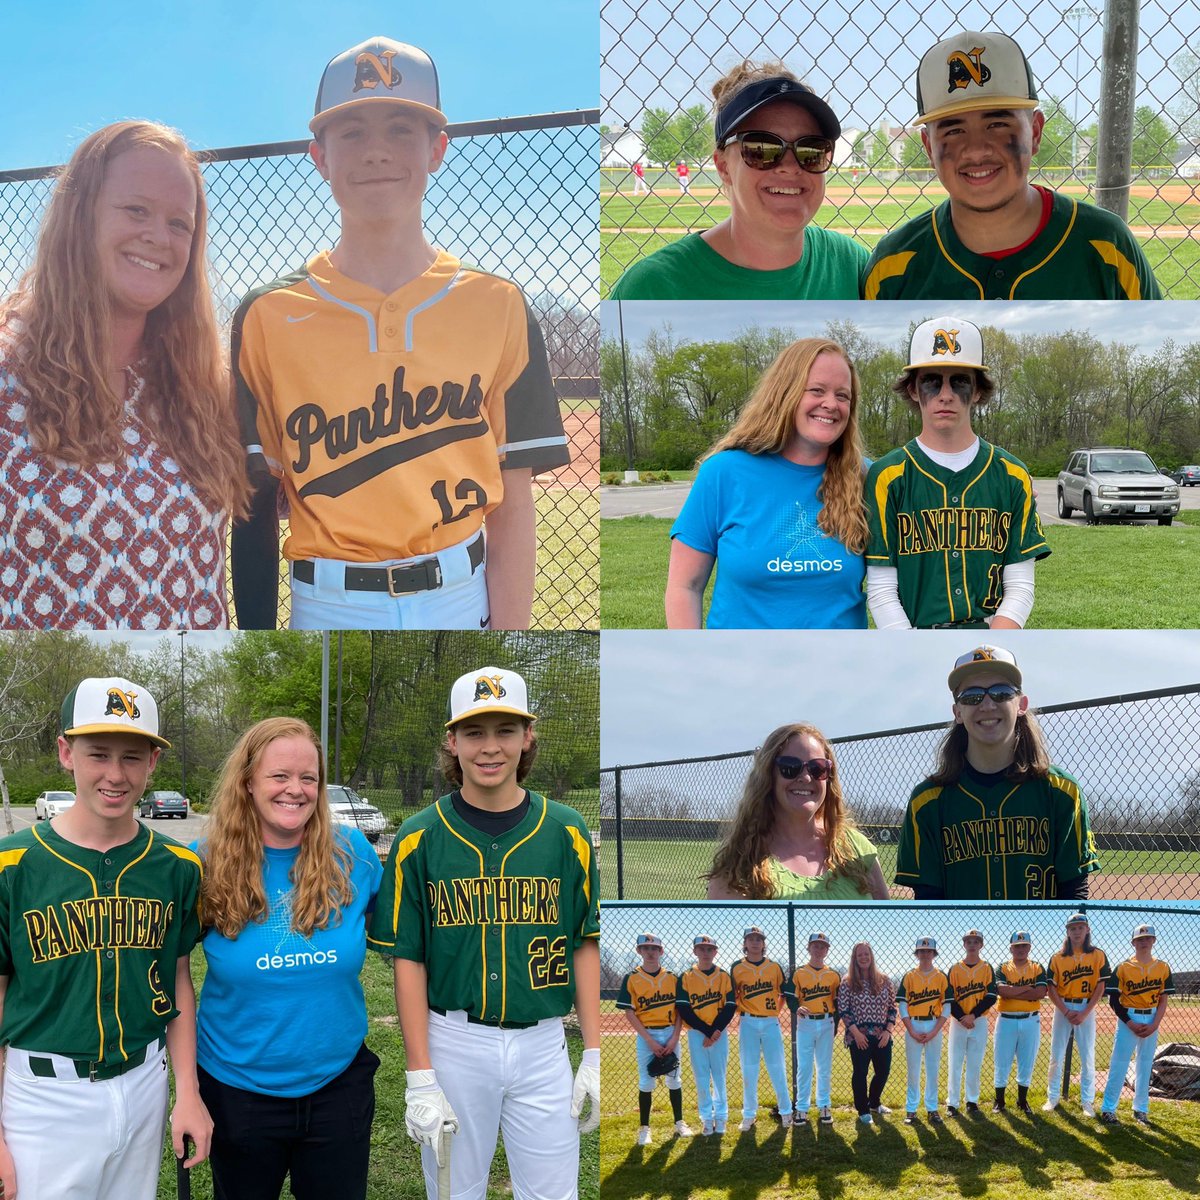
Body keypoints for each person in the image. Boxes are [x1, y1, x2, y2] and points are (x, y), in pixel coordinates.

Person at [231, 37, 570, 631]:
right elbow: (255, 502)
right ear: (319, 155)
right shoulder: (266, 313)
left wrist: (509, 632)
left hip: (462, 589)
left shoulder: (499, 304)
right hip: (326, 600)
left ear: (437, 149)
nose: (376, 152)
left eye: (400, 129)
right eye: (352, 132)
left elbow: (512, 499)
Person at [0, 121, 249, 629]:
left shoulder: (206, 385)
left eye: (180, 223)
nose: (158, 236)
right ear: (80, 215)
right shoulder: (9, 372)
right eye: (136, 210)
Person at [367, 665, 600, 1199]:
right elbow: (409, 959)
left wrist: (590, 1052)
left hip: (543, 1045)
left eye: (505, 730)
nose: (489, 747)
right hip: (454, 1040)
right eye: (474, 732)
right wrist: (420, 1075)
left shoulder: (567, 830)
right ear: (452, 740)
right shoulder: (418, 837)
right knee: (453, 1192)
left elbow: (584, 941)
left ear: (528, 737)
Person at [0, 676, 209, 1199]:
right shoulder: (12, 866)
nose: (116, 775)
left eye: (133, 757)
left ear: (153, 763)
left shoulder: (177, 866)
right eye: (98, 754)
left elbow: (178, 980)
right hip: (43, 1098)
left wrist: (188, 1091)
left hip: (144, 1084)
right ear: (65, 753)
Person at [191, 717, 383, 1199]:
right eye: (279, 776)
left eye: (308, 778)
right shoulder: (204, 863)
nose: (295, 790)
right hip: (237, 1090)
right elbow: (169, 969)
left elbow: (402, 942)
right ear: (248, 781)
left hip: (337, 1085)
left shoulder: (355, 855)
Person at [862, 30, 1162, 299]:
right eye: (953, 130)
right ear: (929, 146)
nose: (976, 149)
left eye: (997, 123)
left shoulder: (1107, 244)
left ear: (1034, 131)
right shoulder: (893, 265)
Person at [611, 62, 866, 299]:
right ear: (723, 166)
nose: (789, 167)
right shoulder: (651, 287)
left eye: (811, 150)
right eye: (762, 148)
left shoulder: (852, 264)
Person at [667, 338, 870, 629]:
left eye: (843, 396)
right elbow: (684, 587)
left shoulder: (866, 477)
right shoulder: (724, 473)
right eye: (816, 390)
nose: (831, 404)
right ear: (784, 393)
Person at [864, 316, 1049, 630]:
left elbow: (1020, 587)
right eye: (932, 381)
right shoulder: (887, 476)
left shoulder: (1011, 474)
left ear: (977, 391)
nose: (945, 394)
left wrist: (993, 645)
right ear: (912, 389)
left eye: (959, 381)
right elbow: (882, 591)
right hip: (913, 637)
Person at [896, 645, 1101, 900]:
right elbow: (928, 900)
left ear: (1021, 704)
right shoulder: (927, 801)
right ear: (957, 712)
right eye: (971, 696)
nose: (987, 704)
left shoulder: (1062, 791)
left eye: (1001, 693)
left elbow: (1075, 891)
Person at [708, 723, 888, 900]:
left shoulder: (856, 848)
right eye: (790, 767)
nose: (806, 777)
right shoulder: (741, 860)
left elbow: (888, 926)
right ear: (768, 776)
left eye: (817, 768)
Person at [619, 933, 691, 1145]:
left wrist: (674, 1038)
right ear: (639, 951)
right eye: (645, 948)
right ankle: (644, 1129)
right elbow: (629, 1012)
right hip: (646, 1034)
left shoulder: (672, 977)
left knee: (674, 1080)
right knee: (646, 1081)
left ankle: (679, 1123)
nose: (650, 952)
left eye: (654, 948)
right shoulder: (631, 977)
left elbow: (680, 1010)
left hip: (670, 1032)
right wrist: (650, 1041)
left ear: (661, 951)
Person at [1100, 923, 1174, 1126]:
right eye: (1139, 939)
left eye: (1147, 938)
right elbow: (1113, 1000)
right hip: (1128, 1018)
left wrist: (1155, 1024)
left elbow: (1163, 1000)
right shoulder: (1123, 967)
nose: (1143, 942)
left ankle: (1141, 1110)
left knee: (1145, 1066)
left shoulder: (1163, 967)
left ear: (1154, 941)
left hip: (1151, 1018)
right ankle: (1108, 1109)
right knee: (1119, 1065)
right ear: (1133, 942)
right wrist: (1130, 1023)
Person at [1043, 913, 1111, 1117]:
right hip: (1063, 1007)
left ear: (1087, 930)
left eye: (1081, 927)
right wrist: (1065, 1010)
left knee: (1088, 1057)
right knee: (1056, 1055)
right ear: (1068, 931)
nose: (1077, 931)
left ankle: (1087, 1101)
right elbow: (1051, 988)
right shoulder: (1058, 957)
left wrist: (1085, 1012)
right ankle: (1052, 1097)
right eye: (1073, 928)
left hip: (1086, 1008)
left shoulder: (1098, 954)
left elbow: (1101, 986)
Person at [731, 925, 794, 1132]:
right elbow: (733, 996)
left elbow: (784, 993)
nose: (755, 942)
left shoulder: (774, 967)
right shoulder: (737, 967)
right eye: (751, 939)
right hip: (748, 1022)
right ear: (745, 943)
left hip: (770, 1022)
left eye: (759, 939)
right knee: (749, 1069)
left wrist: (775, 1012)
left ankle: (786, 1113)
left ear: (763, 943)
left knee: (777, 1068)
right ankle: (749, 1115)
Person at [676, 934, 735, 1135]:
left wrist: (716, 1030)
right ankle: (706, 1119)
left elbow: (730, 1006)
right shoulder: (686, 977)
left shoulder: (724, 976)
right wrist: (708, 1031)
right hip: (696, 1033)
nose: (706, 952)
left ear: (715, 952)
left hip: (719, 1034)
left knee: (719, 1076)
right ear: (695, 951)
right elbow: (684, 1009)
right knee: (701, 1077)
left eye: (710, 949)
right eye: (702, 949)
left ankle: (721, 1117)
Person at [837, 942, 897, 1125]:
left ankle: (874, 1103)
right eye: (859, 955)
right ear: (854, 959)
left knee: (883, 1071)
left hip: (881, 1035)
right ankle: (863, 1110)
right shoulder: (847, 981)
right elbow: (843, 1009)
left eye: (866, 954)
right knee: (860, 1072)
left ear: (871, 957)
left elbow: (892, 1008)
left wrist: (888, 1031)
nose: (863, 958)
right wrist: (856, 1033)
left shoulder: (884, 980)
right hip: (859, 1036)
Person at [784, 932, 840, 1125]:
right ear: (808, 948)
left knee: (824, 1067)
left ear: (827, 950)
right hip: (806, 1023)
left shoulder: (833, 974)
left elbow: (837, 1003)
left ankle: (824, 1105)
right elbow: (790, 996)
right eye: (815, 945)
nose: (818, 949)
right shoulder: (799, 972)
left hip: (826, 1022)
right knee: (805, 1068)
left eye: (822, 946)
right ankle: (802, 1108)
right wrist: (795, 1007)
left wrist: (835, 1026)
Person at [897, 937, 952, 1125]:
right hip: (914, 1024)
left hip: (933, 1025)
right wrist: (911, 1030)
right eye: (922, 951)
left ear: (934, 954)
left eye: (929, 951)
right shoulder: (910, 976)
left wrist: (936, 1030)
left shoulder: (941, 976)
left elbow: (946, 1008)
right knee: (913, 1070)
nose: (925, 954)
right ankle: (911, 1109)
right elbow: (903, 1005)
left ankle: (932, 1108)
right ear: (917, 954)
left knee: (933, 1070)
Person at [992, 930, 1047, 1113]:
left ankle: (1022, 1101)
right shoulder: (1003, 967)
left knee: (1026, 1062)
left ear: (1029, 947)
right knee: (1002, 1061)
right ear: (1011, 948)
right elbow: (1003, 992)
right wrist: (1026, 988)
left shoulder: (1037, 967)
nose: (1021, 949)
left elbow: (1040, 993)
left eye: (1024, 945)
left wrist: (1014, 990)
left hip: (1031, 1021)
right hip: (1006, 1020)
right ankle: (999, 1101)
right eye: (1017, 946)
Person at [945, 929, 997, 1117]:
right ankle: (952, 1103)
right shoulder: (955, 969)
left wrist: (972, 1016)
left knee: (975, 1063)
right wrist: (962, 1017)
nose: (972, 944)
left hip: (979, 1021)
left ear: (981, 945)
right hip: (958, 1023)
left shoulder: (986, 968)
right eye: (969, 941)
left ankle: (972, 1101)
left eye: (976, 941)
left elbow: (991, 996)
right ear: (964, 944)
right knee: (955, 1063)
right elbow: (948, 998)